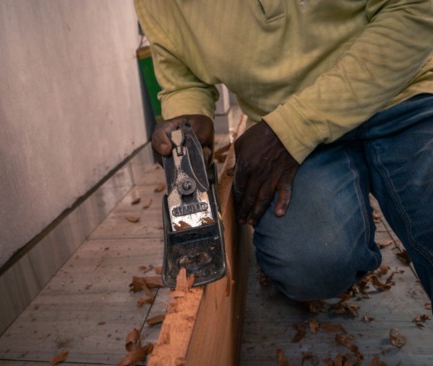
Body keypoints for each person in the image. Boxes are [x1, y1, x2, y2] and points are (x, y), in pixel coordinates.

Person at [134, 0, 433, 303]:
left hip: (402, 91)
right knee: (313, 264)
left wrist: (293, 128)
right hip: (286, 125)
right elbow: (182, 76)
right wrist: (189, 115)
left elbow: (414, 9)